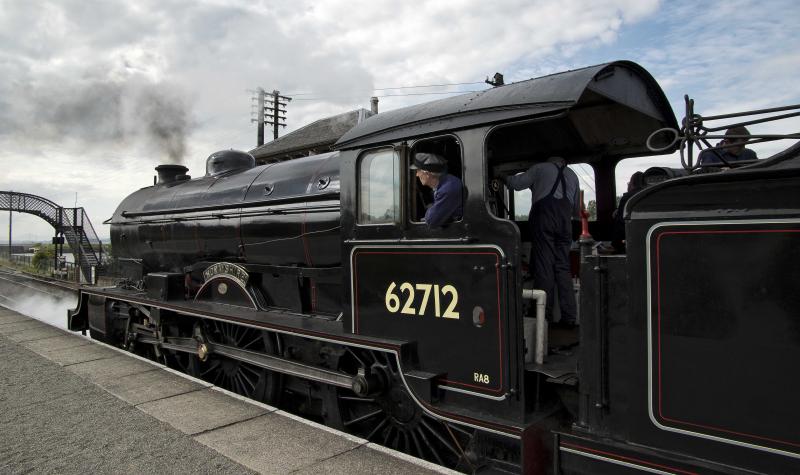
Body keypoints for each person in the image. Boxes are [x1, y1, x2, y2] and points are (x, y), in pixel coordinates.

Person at [506, 157, 580, 327]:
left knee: (545, 266)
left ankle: (543, 317)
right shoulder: (572, 175)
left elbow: (516, 184)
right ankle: (569, 317)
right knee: (563, 268)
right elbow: (576, 208)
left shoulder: (540, 168)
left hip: (545, 219)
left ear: (550, 160)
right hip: (565, 222)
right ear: (563, 162)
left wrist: (502, 177)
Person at [410, 153, 463, 227]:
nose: (417, 175)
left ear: (427, 174)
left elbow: (431, 221)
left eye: (418, 171)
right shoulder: (446, 183)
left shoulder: (447, 189)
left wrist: (430, 208)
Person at [609, 171, 645, 253]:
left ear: (632, 183)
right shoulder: (649, 195)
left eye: (629, 183)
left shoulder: (627, 198)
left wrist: (615, 244)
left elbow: (620, 225)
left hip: (629, 244)